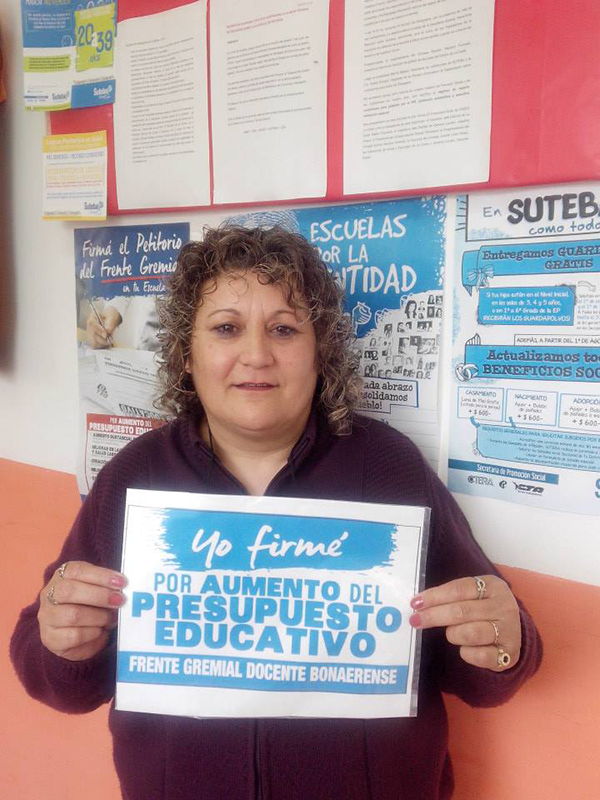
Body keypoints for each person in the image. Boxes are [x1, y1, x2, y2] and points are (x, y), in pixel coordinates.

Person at [11, 226, 542, 800]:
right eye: (226, 328)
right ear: (186, 353)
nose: (257, 355)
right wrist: (61, 643)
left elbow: (483, 672)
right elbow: (57, 680)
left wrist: (504, 644)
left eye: (284, 329)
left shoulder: (390, 469)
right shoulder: (134, 478)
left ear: (320, 353)